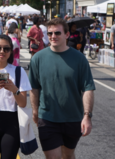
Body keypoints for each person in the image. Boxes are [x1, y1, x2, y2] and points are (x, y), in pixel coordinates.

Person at [28, 18, 95, 159]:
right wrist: (35, 111)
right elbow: (34, 87)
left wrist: (87, 116)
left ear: (67, 35)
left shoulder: (79, 59)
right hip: (47, 118)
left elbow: (88, 88)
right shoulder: (37, 58)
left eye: (57, 33)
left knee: (68, 155)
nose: (53, 36)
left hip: (72, 118)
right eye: (50, 33)